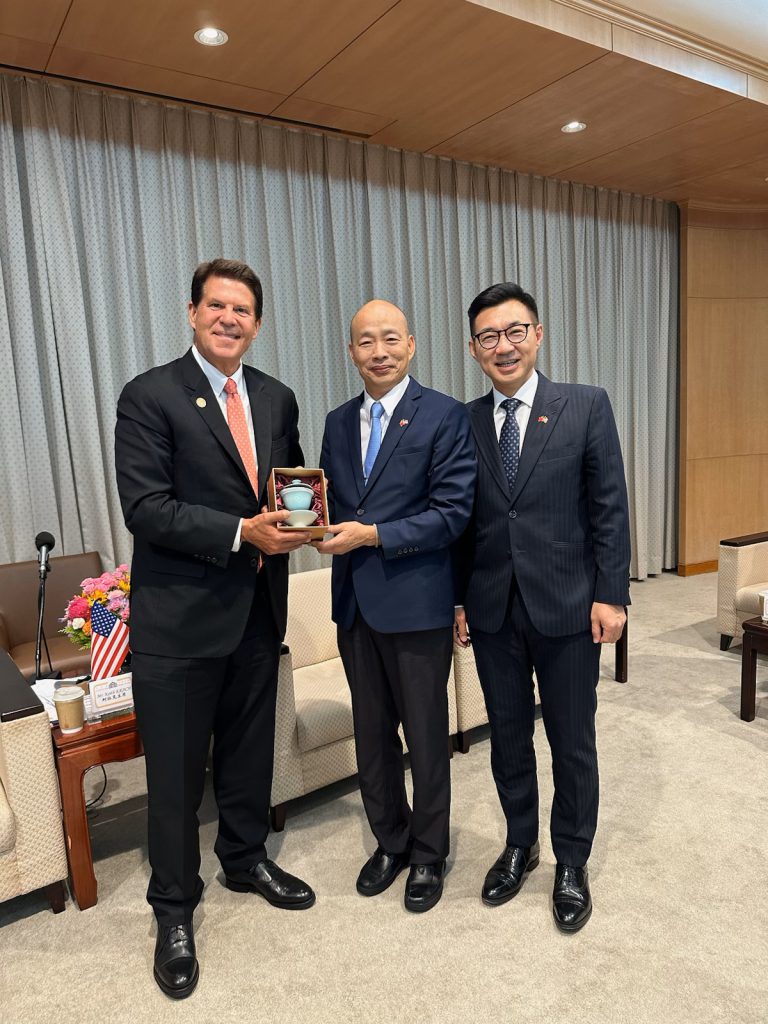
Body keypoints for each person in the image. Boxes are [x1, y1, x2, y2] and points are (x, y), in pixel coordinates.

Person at [115, 259, 315, 999]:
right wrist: (242, 532)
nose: (230, 318)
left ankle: (244, 857)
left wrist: (305, 521)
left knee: (246, 756)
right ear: (193, 313)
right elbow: (147, 507)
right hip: (178, 623)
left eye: (244, 310)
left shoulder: (275, 396)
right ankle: (173, 909)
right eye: (217, 306)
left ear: (257, 323)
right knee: (173, 779)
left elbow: (288, 487)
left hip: (258, 613)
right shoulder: (150, 395)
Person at [454, 282, 630, 933]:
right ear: (473, 349)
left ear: (538, 333)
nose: (504, 346)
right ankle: (521, 844)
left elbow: (609, 507)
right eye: (489, 336)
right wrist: (458, 599)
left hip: (568, 607)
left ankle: (571, 860)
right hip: (493, 610)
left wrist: (613, 594)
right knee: (507, 741)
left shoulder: (584, 406)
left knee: (571, 741)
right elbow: (460, 524)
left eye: (515, 330)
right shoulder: (463, 422)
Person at [316, 300, 476, 913]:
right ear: (351, 351)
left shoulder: (443, 415)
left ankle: (429, 854)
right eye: (364, 342)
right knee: (373, 734)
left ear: (411, 345)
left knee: (427, 736)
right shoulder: (335, 422)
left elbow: (452, 512)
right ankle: (391, 840)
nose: (377, 351)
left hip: (417, 605)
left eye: (389, 340)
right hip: (354, 603)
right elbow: (327, 503)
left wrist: (372, 534)